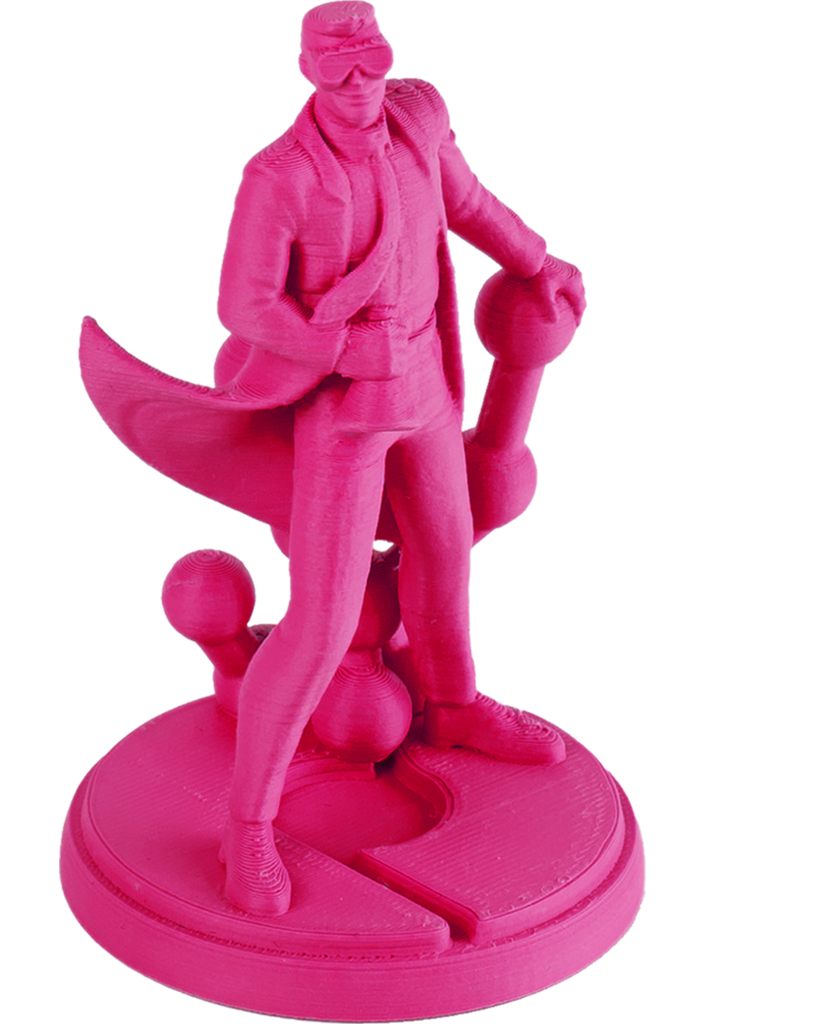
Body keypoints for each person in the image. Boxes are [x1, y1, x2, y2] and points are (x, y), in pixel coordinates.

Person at [215, 1, 587, 916]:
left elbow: (467, 201)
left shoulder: (416, 118)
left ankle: (454, 707)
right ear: (307, 69)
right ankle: (248, 826)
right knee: (321, 620)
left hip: (422, 380)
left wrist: (537, 261)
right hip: (342, 408)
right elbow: (244, 304)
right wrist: (340, 349)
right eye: (337, 66)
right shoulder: (279, 176)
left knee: (447, 553)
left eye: (368, 60)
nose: (358, 82)